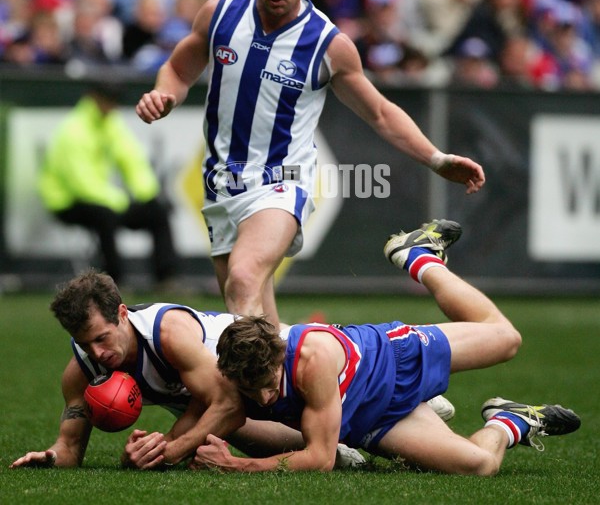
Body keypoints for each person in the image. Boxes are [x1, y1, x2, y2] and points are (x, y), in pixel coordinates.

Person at [135, 0, 485, 327]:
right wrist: (164, 96)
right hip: (221, 183)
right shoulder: (220, 14)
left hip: (281, 182)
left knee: (243, 281)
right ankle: (311, 382)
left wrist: (437, 159)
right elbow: (178, 70)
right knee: (256, 324)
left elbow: (379, 112)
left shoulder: (326, 43)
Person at [193, 219, 581, 474]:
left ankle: (419, 257)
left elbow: (319, 458)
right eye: (250, 388)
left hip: (399, 359)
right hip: (376, 422)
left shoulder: (313, 360)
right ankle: (510, 421)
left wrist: (234, 466)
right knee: (478, 465)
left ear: (278, 355)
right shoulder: (236, 368)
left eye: (267, 382)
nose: (262, 397)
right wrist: (170, 448)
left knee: (507, 340)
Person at [8, 268, 416, 470]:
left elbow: (227, 406)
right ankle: (343, 444)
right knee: (252, 440)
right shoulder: (81, 368)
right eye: (84, 344)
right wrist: (51, 455)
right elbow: (71, 445)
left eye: (101, 338)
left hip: (280, 367)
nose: (97, 352)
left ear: (121, 313)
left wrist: (166, 451)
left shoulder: (167, 334)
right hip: (230, 396)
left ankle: (401, 401)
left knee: (280, 432)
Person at [38, 82, 180, 288]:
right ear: (94, 98)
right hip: (67, 203)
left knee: (156, 212)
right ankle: (113, 283)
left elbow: (131, 159)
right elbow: (81, 183)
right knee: (105, 216)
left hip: (104, 199)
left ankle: (167, 279)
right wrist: (119, 202)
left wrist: (147, 194)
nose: (113, 105)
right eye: (109, 100)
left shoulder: (111, 124)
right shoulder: (73, 129)